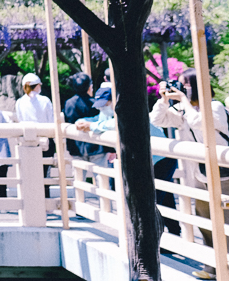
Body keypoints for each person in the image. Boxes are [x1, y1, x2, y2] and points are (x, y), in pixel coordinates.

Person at [152, 69, 229, 269]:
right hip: (199, 175)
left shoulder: (215, 106)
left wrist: (183, 102)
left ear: (196, 86)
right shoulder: (183, 110)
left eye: (184, 85)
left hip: (227, 175)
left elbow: (200, 123)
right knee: (205, 221)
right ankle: (212, 267)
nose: (180, 89)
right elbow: (157, 120)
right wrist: (163, 99)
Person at [76, 87, 180, 236]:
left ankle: (158, 236)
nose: (102, 108)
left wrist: (91, 126)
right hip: (151, 158)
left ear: (114, 101)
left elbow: (118, 123)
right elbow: (99, 120)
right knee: (163, 198)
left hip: (162, 158)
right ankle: (173, 233)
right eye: (99, 105)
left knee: (156, 198)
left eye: (105, 104)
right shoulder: (107, 112)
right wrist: (83, 122)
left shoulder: (130, 109)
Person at [15, 72, 56, 196]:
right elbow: (51, 120)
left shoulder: (20, 102)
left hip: (28, 139)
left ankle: (31, 198)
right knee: (45, 172)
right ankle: (46, 199)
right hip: (45, 139)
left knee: (29, 172)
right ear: (37, 86)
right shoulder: (45, 100)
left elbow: (20, 119)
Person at [63, 72, 109, 168]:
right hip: (97, 146)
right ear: (89, 86)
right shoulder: (96, 103)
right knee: (102, 179)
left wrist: (69, 148)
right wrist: (110, 149)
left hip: (77, 147)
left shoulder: (69, 104)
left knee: (78, 179)